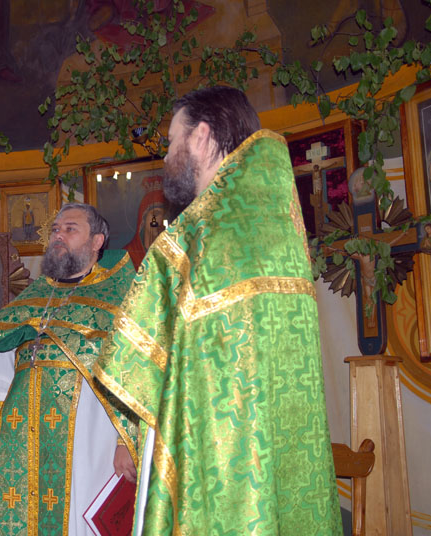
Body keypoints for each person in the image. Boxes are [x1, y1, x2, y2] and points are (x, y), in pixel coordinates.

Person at [94, 86, 342, 534]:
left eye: (173, 140)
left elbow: (136, 362)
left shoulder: (201, 236)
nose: (166, 155)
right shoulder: (274, 224)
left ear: (202, 137)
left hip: (212, 454)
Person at [0, 203, 137, 536]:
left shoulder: (120, 297)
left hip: (90, 436)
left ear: (97, 242)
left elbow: (136, 374)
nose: (58, 236)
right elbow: (2, 360)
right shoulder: (34, 297)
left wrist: (127, 440)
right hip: (20, 436)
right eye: (55, 229)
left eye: (70, 229)